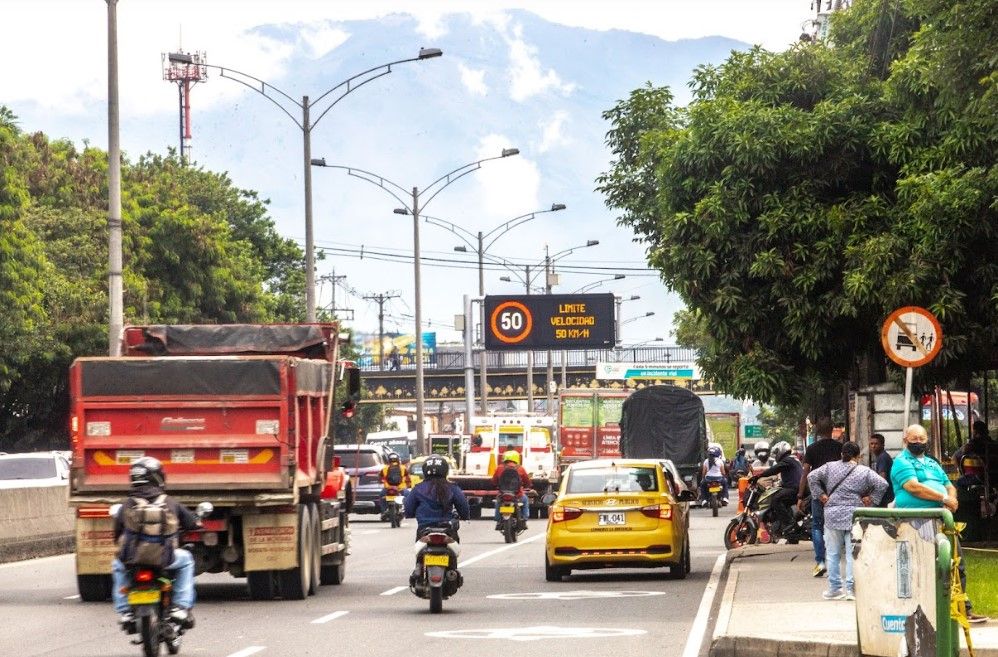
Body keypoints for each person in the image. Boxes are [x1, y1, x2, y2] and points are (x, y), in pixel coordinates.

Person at [891, 424, 988, 623]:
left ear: (927, 440)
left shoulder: (932, 463)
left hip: (941, 518)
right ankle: (925, 611)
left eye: (922, 439)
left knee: (955, 562)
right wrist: (944, 499)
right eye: (914, 439)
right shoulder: (901, 462)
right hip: (917, 521)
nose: (918, 442)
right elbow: (913, 488)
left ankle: (961, 608)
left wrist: (952, 499)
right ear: (905, 440)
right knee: (925, 566)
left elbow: (949, 485)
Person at [113, 457, 200, 632]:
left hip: (132, 559)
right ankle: (180, 606)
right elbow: (191, 523)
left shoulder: (127, 505)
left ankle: (125, 611)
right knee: (187, 560)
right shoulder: (169, 502)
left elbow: (116, 534)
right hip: (165, 558)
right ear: (157, 477)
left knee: (117, 565)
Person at [808, 441, 887, 601]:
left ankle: (835, 589)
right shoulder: (864, 471)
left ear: (841, 454)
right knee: (852, 554)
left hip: (832, 515)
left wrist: (821, 495)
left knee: (832, 553)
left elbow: (811, 476)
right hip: (855, 515)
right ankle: (852, 590)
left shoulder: (829, 467)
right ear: (858, 456)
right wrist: (871, 499)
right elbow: (882, 484)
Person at [797, 417, 842, 577]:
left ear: (818, 431)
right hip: (837, 493)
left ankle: (820, 561)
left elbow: (805, 473)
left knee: (817, 526)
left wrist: (800, 496)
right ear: (832, 430)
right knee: (836, 527)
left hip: (818, 493)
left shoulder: (812, 449)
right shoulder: (840, 448)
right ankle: (834, 562)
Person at [403, 454, 470, 539]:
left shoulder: (418, 489)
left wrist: (411, 514)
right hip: (447, 530)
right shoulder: (453, 488)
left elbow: (408, 508)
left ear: (425, 471)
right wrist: (464, 516)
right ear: (445, 470)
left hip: (424, 530)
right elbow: (463, 506)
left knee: (418, 550)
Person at [748, 440, 802, 535]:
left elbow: (774, 469)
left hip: (794, 489)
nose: (776, 455)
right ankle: (790, 532)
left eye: (777, 452)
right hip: (797, 488)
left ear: (782, 451)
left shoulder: (788, 459)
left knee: (776, 500)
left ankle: (790, 523)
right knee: (782, 501)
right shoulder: (793, 459)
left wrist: (759, 476)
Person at [491, 450, 531, 529]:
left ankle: (498, 521)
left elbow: (494, 481)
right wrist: (527, 486)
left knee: (498, 503)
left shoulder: (499, 468)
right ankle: (524, 520)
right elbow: (527, 481)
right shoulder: (520, 468)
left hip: (503, 495)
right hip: (517, 495)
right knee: (525, 500)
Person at [868, 433, 894, 506]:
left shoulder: (882, 457)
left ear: (882, 445)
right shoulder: (881, 456)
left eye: (876, 444)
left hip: (886, 497)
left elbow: (882, 480)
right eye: (871, 444)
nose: (873, 446)